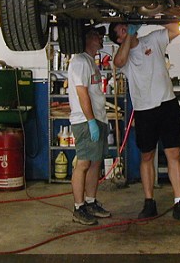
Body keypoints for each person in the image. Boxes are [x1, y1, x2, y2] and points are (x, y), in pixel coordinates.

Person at [109, 22, 180, 224]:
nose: (127, 29)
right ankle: (149, 202)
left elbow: (177, 28)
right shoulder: (125, 58)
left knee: (174, 153)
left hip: (167, 104)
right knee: (147, 155)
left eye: (126, 26)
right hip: (144, 110)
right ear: (119, 40)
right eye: (122, 31)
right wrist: (129, 36)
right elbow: (119, 61)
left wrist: (156, 17)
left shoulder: (153, 40)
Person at [67, 25, 111, 225]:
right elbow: (82, 93)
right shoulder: (79, 61)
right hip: (86, 121)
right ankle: (79, 207)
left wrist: (99, 119)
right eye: (96, 35)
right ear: (86, 38)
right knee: (83, 163)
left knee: (94, 163)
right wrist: (91, 121)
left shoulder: (90, 62)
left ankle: (91, 202)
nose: (101, 38)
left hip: (97, 119)